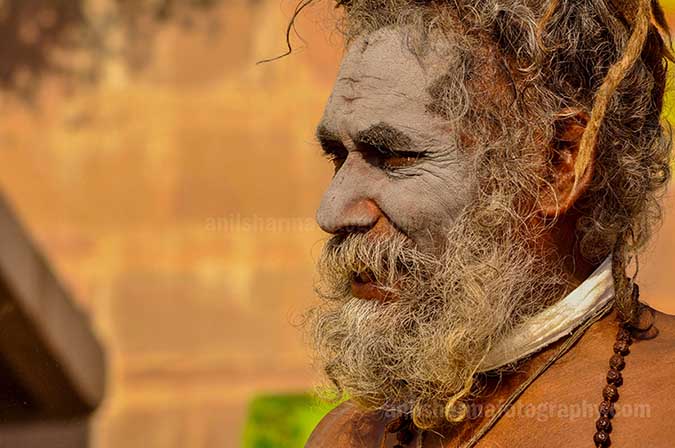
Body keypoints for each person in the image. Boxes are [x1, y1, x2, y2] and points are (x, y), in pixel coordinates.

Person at [303, 0, 675, 446]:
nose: (332, 211)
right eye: (337, 156)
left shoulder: (660, 414)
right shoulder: (346, 436)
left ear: (558, 166)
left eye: (396, 157)